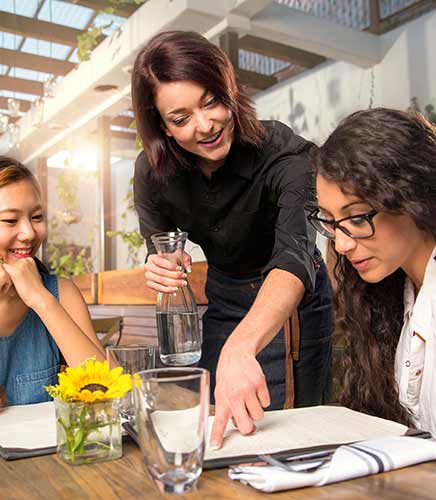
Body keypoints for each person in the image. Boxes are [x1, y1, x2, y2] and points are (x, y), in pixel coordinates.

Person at [131, 30, 334, 448]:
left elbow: (296, 253)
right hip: (224, 298)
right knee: (216, 425)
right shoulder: (152, 173)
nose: (205, 126)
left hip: (291, 300)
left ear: (230, 90)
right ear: (161, 126)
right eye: (181, 119)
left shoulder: (284, 154)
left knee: (291, 432)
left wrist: (241, 348)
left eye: (211, 102)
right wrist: (161, 263)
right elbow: (160, 245)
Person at [0, 154, 104, 414]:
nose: (29, 233)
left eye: (36, 217)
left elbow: (103, 391)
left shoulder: (60, 293)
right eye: (10, 220)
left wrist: (41, 299)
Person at [309, 107, 436, 435]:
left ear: (413, 197)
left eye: (357, 218)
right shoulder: (395, 295)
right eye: (331, 222)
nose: (341, 245)